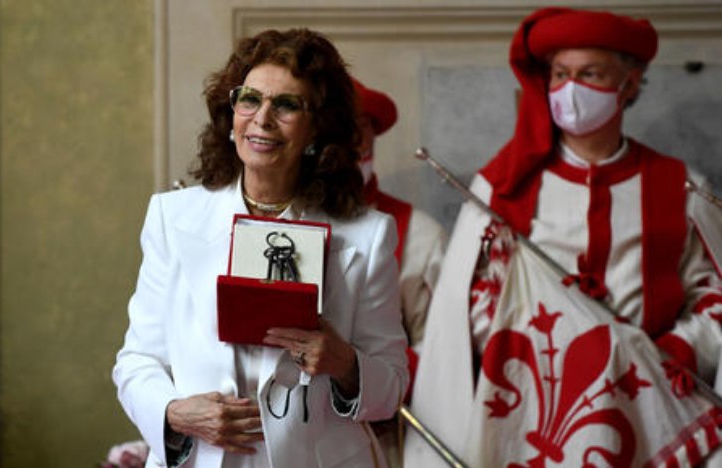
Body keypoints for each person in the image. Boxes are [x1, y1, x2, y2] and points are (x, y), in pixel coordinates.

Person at [405, 7, 722, 467]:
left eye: (590, 74)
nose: (571, 90)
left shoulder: (680, 187)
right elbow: (462, 313)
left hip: (650, 409)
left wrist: (687, 345)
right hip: (525, 415)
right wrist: (558, 316)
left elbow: (713, 294)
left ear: (629, 84)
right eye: (560, 74)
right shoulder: (503, 186)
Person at [113, 28, 409, 468]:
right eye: (249, 99)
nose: (262, 118)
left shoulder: (370, 235)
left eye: (287, 105)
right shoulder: (171, 219)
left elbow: (392, 387)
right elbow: (137, 361)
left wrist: (345, 363)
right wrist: (175, 414)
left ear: (317, 130)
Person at [351, 78, 447, 467]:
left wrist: (366, 372)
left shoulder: (420, 234)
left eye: (356, 134)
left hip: (390, 442)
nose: (346, 149)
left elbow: (443, 349)